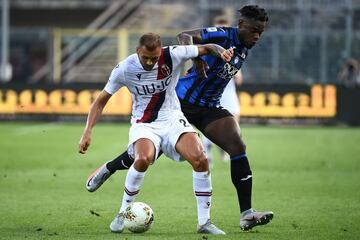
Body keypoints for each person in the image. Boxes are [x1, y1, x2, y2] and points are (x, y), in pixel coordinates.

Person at [85, 5, 274, 231]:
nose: (257, 36)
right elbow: (185, 36)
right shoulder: (224, 34)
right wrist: (197, 60)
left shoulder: (243, 47)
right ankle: (110, 168)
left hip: (209, 107)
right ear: (241, 25)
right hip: (181, 101)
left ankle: (247, 214)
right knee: (148, 153)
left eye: (260, 32)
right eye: (254, 30)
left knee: (237, 146)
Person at [79, 33, 234, 234]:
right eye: (145, 58)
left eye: (154, 58)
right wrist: (87, 132)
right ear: (138, 52)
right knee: (143, 158)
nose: (150, 62)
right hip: (144, 123)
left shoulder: (173, 55)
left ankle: (204, 223)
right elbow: (100, 101)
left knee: (201, 159)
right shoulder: (124, 68)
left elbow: (208, 46)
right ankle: (122, 212)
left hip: (172, 118)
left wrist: (222, 52)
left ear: (160, 51)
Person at [202, 16, 243, 165]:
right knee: (209, 123)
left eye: (225, 29)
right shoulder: (208, 48)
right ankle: (207, 153)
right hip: (212, 92)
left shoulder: (236, 49)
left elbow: (239, 79)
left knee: (233, 123)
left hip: (228, 93)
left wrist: (234, 71)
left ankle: (225, 149)